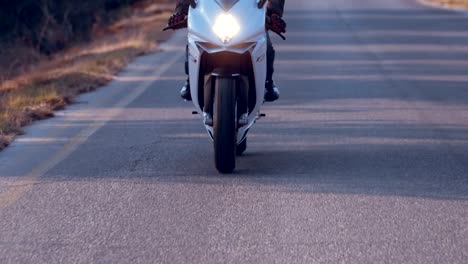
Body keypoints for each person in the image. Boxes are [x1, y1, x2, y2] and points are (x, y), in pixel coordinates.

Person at [168, 0, 286, 102]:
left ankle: (267, 83)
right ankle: (191, 81)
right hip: (211, 13)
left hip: (247, 13)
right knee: (196, 41)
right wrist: (182, 12)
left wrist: (273, 13)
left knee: (265, 45)